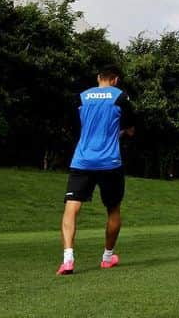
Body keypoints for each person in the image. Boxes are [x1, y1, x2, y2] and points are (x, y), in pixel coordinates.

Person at [58, 65, 135, 275]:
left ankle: (68, 259)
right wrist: (117, 134)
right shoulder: (121, 98)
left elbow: (72, 127)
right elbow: (130, 129)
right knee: (113, 209)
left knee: (71, 208)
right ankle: (107, 257)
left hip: (82, 160)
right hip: (110, 162)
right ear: (116, 80)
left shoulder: (81, 97)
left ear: (98, 77)